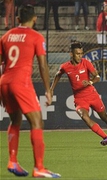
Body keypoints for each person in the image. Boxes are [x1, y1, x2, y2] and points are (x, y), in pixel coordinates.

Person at [0, 4, 61, 178]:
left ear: (17, 19)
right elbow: (42, 65)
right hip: (21, 82)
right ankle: (39, 167)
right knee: (37, 122)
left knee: (15, 120)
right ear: (35, 18)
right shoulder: (36, 37)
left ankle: (13, 160)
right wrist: (48, 90)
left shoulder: (5, 37)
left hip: (4, 82)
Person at [50, 41, 107, 147]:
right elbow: (57, 75)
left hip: (92, 95)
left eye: (81, 53)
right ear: (71, 54)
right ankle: (106, 137)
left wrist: (90, 82)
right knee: (84, 117)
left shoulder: (86, 63)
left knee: (105, 118)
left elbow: (97, 77)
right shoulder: (65, 67)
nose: (80, 56)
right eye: (77, 54)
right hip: (79, 99)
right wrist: (51, 89)